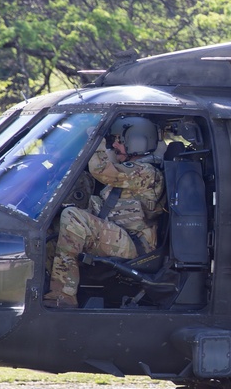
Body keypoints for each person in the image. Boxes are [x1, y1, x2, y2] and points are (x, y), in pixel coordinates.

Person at [44, 116, 165, 308]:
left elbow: (101, 169)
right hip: (118, 235)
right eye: (113, 140)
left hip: (136, 245)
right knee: (57, 219)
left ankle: (63, 297)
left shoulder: (147, 172)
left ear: (136, 141)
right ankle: (47, 287)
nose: (114, 145)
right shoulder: (129, 170)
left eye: (119, 140)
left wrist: (95, 138)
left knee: (73, 217)